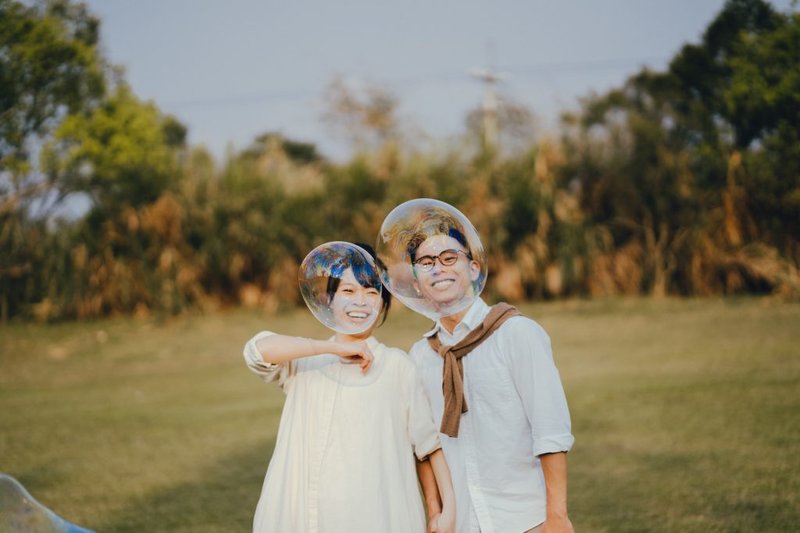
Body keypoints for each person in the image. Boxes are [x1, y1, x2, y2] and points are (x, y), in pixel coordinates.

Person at [243, 243, 456, 533]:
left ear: (382, 304)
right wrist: (330, 349)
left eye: (371, 293)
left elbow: (428, 447)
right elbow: (256, 351)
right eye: (348, 291)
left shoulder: (396, 366)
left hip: (375, 517)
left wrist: (440, 510)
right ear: (329, 301)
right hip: (305, 520)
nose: (360, 302)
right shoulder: (305, 363)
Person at [400, 218, 575, 533]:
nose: (438, 268)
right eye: (426, 263)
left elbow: (551, 430)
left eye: (449, 258)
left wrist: (557, 517)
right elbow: (424, 444)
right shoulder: (421, 355)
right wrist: (435, 511)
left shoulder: (516, 333)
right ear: (416, 285)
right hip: (462, 523)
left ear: (473, 269)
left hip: (525, 518)